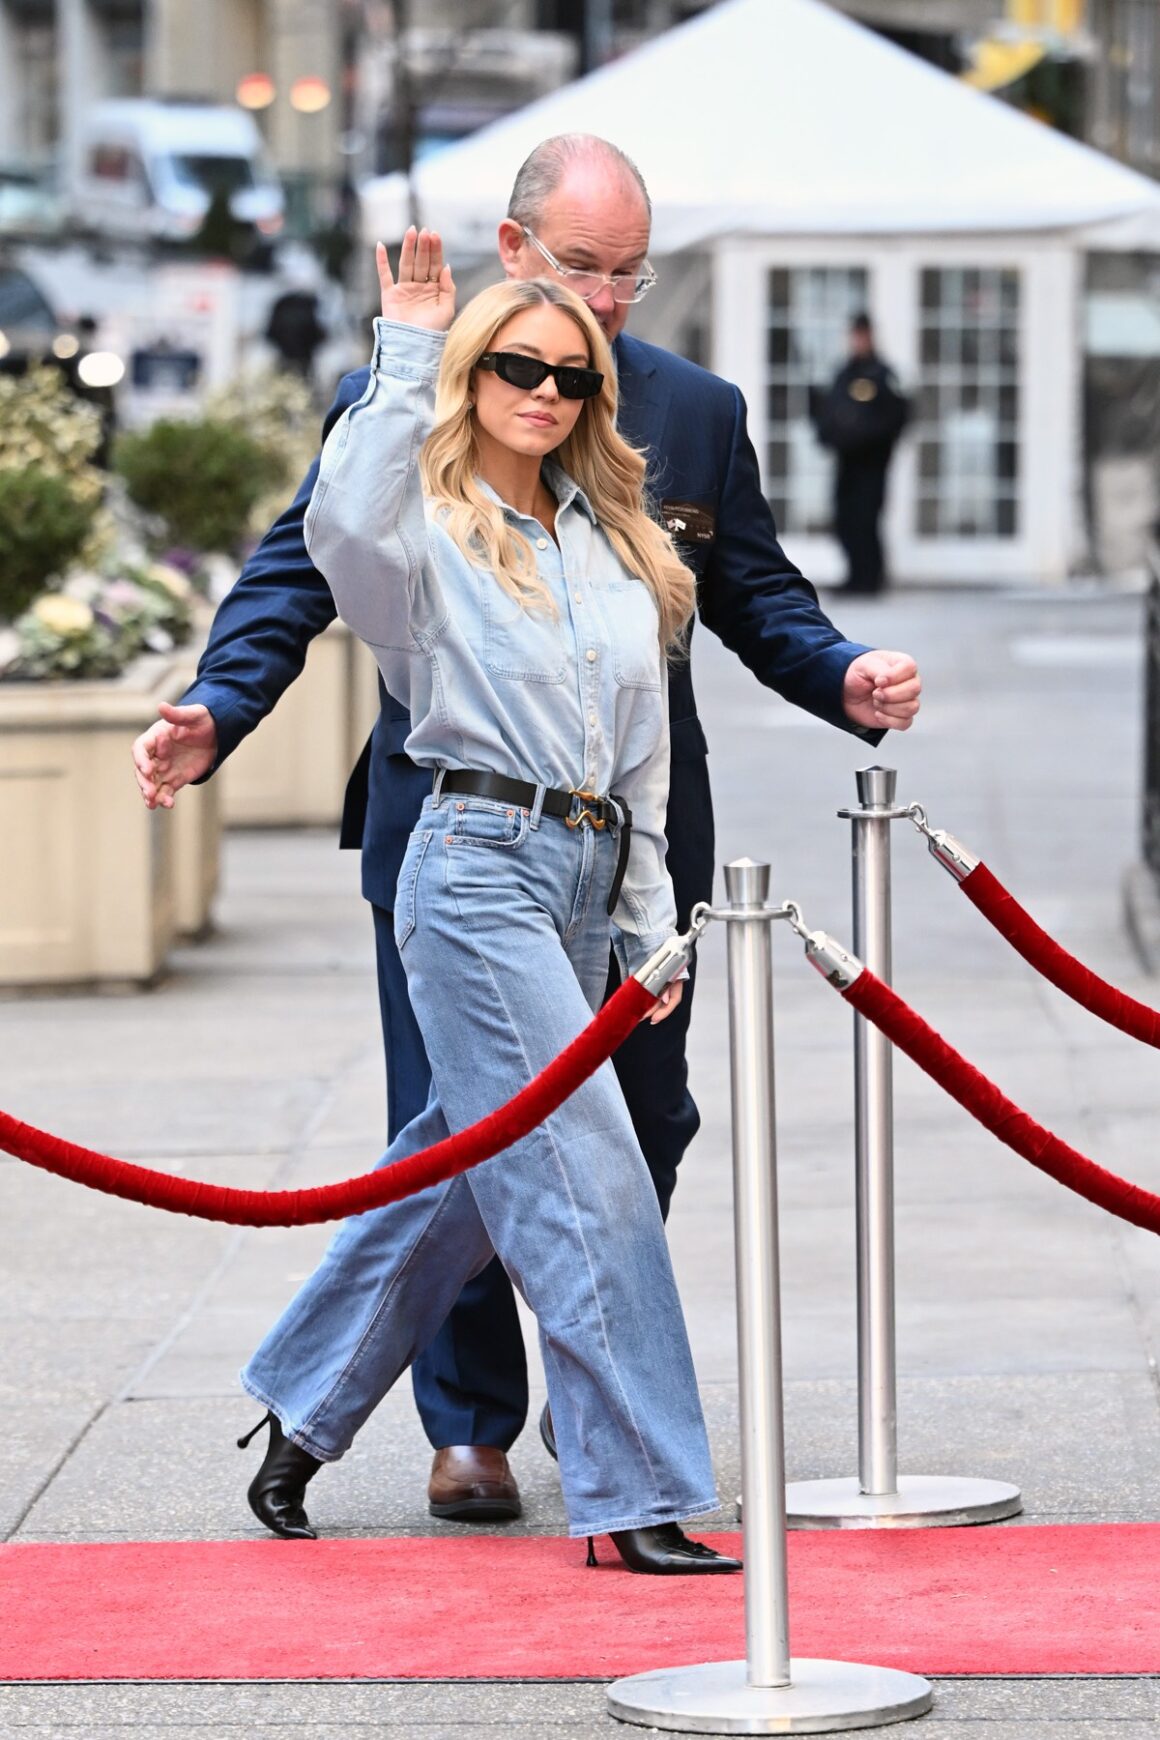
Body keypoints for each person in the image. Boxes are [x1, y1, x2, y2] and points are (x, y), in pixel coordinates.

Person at [131, 135, 922, 1527]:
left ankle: (309, 1401)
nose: (592, 324)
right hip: (459, 847)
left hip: (624, 853)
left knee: (578, 1132)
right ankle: (508, 1437)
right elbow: (306, 566)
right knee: (539, 1152)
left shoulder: (674, 432)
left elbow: (752, 598)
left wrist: (840, 675)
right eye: (580, 273)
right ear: (515, 253)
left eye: (628, 278)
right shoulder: (406, 418)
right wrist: (218, 707)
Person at [231, 227, 740, 1578]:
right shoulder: (422, 535)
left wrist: (647, 925)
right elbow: (338, 524)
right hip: (471, 868)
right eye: (517, 366)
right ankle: (635, 1491)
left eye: (571, 376)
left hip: (587, 878)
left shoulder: (618, 542)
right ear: (472, 376)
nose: (544, 392)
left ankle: (302, 1401)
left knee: (467, 1168)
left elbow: (642, 756)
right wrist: (403, 350)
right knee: (590, 1173)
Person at [814, 313, 910, 596]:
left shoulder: (883, 375)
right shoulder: (843, 373)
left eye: (862, 336)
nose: (858, 342)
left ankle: (870, 578)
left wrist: (867, 438)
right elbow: (829, 411)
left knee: (866, 518)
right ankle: (855, 575)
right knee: (845, 518)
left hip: (872, 463)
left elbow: (896, 417)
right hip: (847, 461)